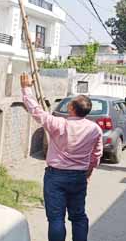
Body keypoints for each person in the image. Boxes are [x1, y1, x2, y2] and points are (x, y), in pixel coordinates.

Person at [20, 74, 102, 241]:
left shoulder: (58, 124)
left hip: (56, 176)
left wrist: (26, 88)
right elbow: (96, 155)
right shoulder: (94, 129)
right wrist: (88, 173)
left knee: (56, 218)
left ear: (72, 109)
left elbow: (36, 110)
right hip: (79, 176)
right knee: (78, 216)